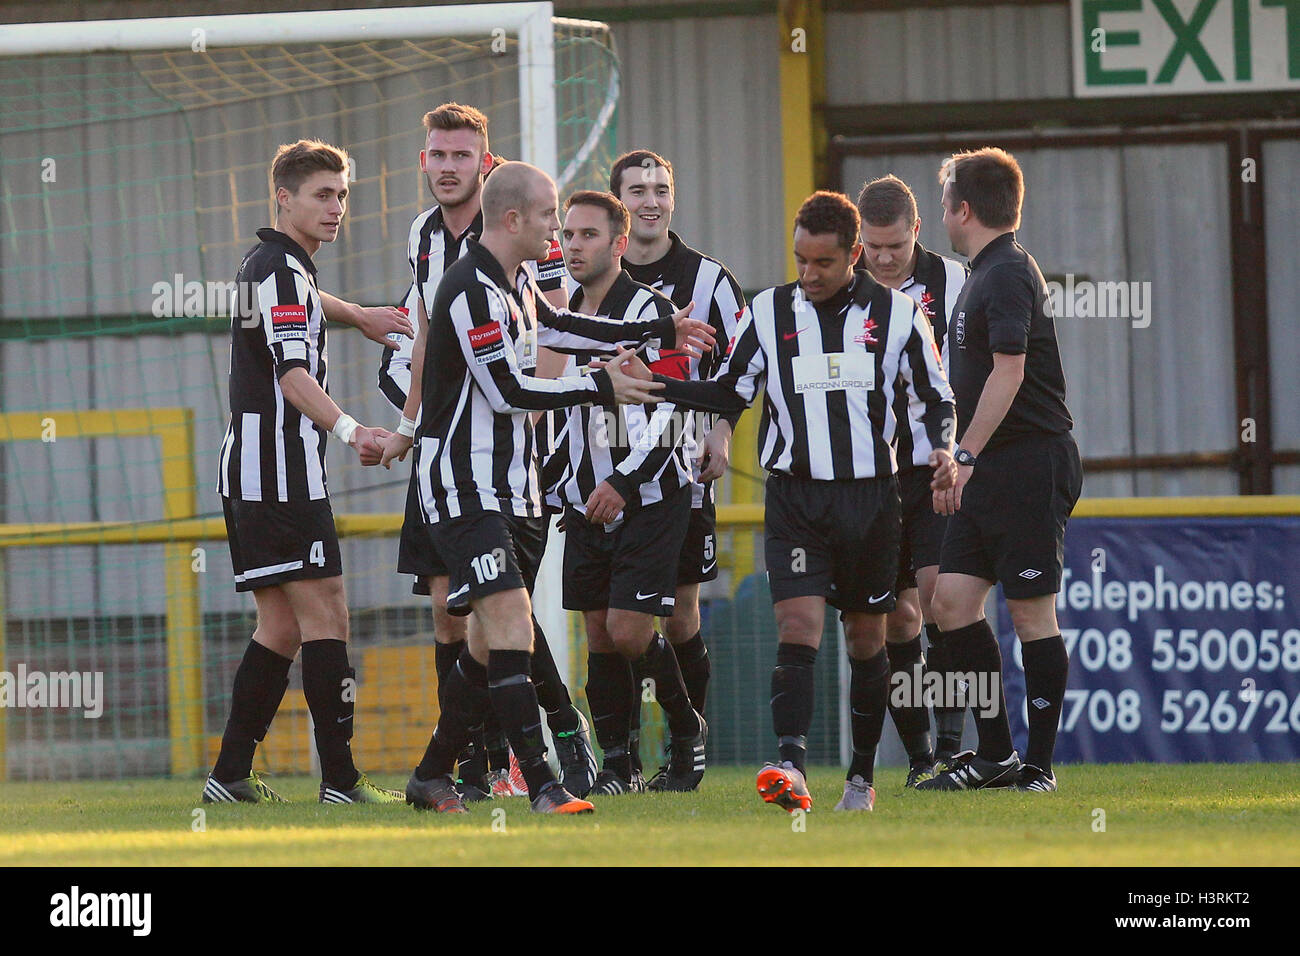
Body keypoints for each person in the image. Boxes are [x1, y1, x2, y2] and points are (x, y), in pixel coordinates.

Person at [599, 191, 956, 813]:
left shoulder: (898, 315)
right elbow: (729, 388)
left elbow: (935, 398)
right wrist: (653, 385)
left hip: (873, 500)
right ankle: (790, 763)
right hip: (794, 500)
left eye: (822, 262)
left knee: (867, 638)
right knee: (797, 626)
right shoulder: (768, 313)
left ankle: (861, 778)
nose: (809, 274)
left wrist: (942, 454)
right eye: (800, 260)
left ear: (854, 256)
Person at [379, 162, 715, 813]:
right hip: (463, 492)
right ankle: (545, 783)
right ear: (512, 220)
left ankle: (429, 775)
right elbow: (508, 391)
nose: (555, 233)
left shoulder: (516, 281)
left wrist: (656, 328)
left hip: (513, 492)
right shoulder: (471, 289)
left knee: (485, 645)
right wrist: (600, 383)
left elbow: (566, 328)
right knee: (510, 622)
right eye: (546, 218)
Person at [376, 103, 590, 801]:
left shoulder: (527, 242)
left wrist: (547, 420)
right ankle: (517, 773)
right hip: (460, 468)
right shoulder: (430, 246)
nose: (446, 168)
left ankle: (446, 769)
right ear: (423, 161)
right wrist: (407, 427)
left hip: (517, 458)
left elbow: (558, 328)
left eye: (460, 156)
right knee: (471, 613)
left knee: (495, 624)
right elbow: (429, 347)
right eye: (436, 155)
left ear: (484, 165)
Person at [205, 139, 404, 806]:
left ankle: (229, 775)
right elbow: (291, 374)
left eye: (343, 194)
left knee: (282, 627)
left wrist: (361, 316)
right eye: (323, 194)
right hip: (282, 476)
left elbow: (308, 305)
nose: (337, 207)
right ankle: (341, 783)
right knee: (328, 617)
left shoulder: (270, 265)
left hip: (250, 473)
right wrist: (354, 432)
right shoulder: (284, 272)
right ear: (283, 198)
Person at [917, 147, 1082, 793]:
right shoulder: (979, 274)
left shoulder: (1009, 271)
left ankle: (1038, 768)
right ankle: (994, 754)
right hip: (989, 468)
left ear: (962, 209)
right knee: (951, 603)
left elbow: (1010, 372)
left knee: (1032, 614)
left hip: (1030, 463)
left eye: (943, 205)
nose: (943, 217)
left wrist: (963, 456)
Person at [554, 190, 705, 796]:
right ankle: (619, 763)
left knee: (629, 630)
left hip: (650, 494)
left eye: (588, 235)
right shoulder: (563, 318)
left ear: (618, 243)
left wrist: (622, 480)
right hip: (585, 498)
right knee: (596, 631)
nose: (573, 246)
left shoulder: (654, 312)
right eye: (566, 235)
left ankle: (686, 729)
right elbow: (565, 408)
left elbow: (674, 413)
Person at [609, 150, 746, 784]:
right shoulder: (587, 279)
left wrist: (721, 432)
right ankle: (623, 760)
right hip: (604, 465)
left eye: (661, 188)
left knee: (681, 612)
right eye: (636, 190)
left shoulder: (710, 281)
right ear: (618, 204)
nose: (651, 200)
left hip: (682, 463)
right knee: (612, 618)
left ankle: (685, 756)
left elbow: (741, 371)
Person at [855, 174, 969, 785]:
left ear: (916, 232)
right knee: (897, 619)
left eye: (893, 246)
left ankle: (954, 750)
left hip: (934, 466)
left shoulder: (954, 283)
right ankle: (922, 757)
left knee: (941, 602)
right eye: (871, 247)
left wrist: (964, 453)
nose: (882, 258)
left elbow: (974, 373)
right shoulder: (843, 290)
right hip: (871, 478)